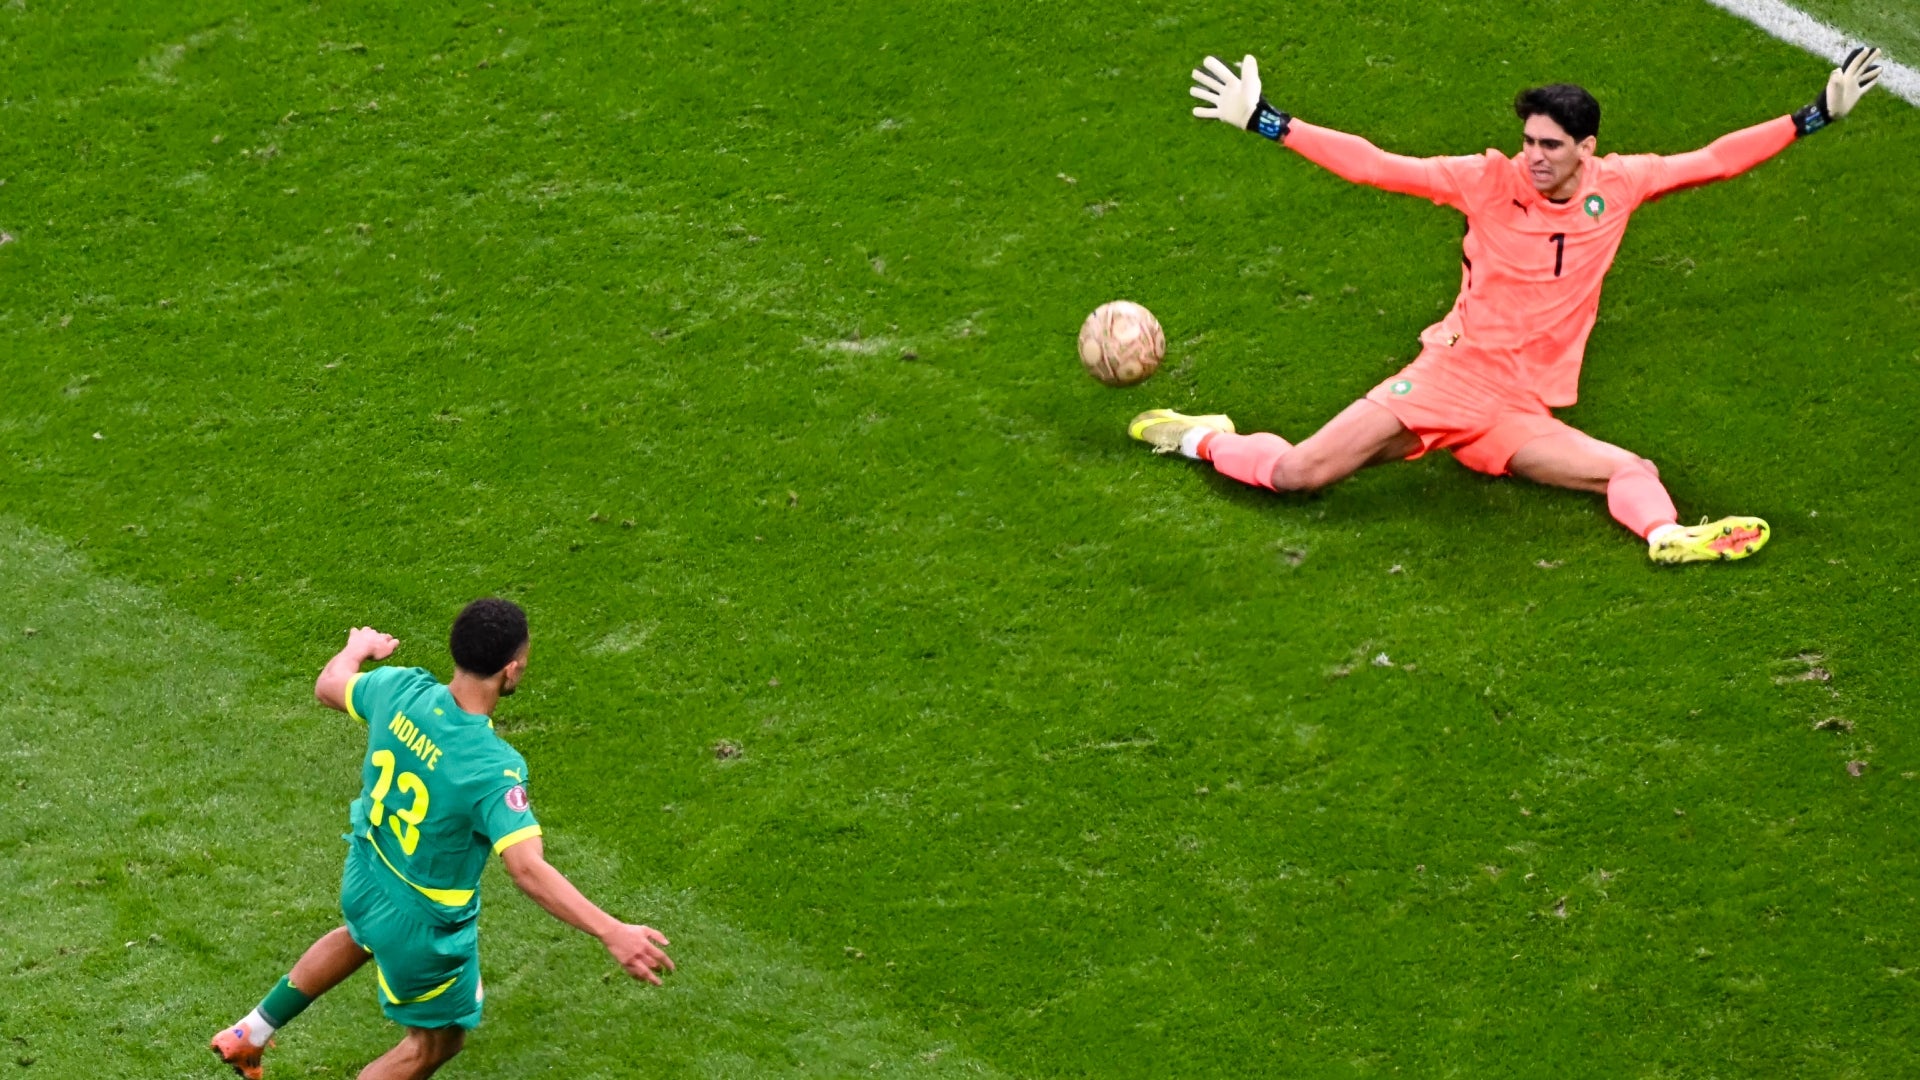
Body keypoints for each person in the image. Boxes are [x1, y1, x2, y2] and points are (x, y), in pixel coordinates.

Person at [1137, 47, 1886, 562]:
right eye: (1528, 140)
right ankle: (1201, 437)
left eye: (1551, 145)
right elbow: (1376, 165)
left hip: (1519, 410)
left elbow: (1717, 159)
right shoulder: (1485, 179)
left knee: (1629, 469)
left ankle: (1666, 537)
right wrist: (1271, 121)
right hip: (1449, 379)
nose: (1534, 156)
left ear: (1586, 147)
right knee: (1301, 475)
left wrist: (1814, 113)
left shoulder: (1620, 185)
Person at [210, 598, 673, 1079]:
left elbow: (328, 686)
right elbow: (526, 868)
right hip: (421, 927)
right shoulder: (493, 768)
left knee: (361, 935)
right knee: (434, 1044)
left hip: (365, 875)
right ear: (511, 670)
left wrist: (357, 648)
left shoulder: (399, 688)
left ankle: (251, 1032)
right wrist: (611, 930)